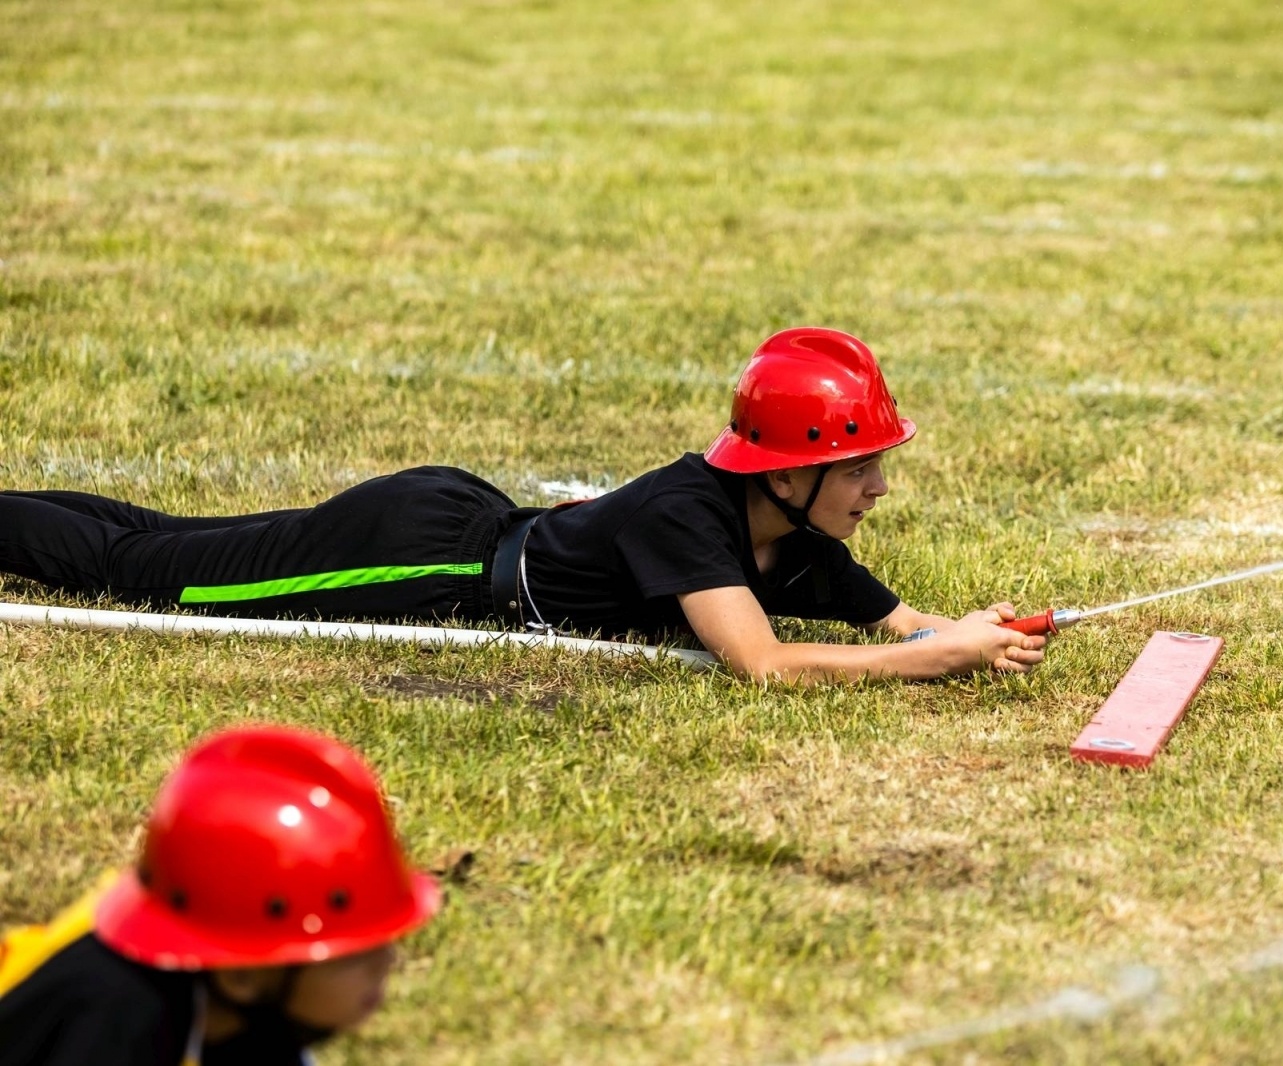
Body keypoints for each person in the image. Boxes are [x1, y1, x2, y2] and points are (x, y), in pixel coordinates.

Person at [0, 327, 1048, 682]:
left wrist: (965, 633)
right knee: (156, 574)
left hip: (463, 514)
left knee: (168, 541)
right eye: (860, 463)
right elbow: (762, 666)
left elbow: (901, 624)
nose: (878, 485)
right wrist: (925, 658)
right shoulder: (692, 514)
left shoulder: (802, 542)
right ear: (784, 471)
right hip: (426, 558)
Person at [0, 725, 440, 1066]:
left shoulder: (238, 1020)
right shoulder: (119, 1021)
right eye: (352, 953)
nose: (387, 963)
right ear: (242, 976)